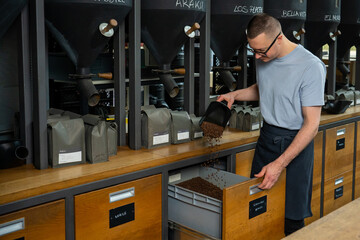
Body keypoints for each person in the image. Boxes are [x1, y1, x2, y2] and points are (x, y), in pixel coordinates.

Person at [217, 13, 326, 236]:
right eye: (253, 51)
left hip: (295, 144)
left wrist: (279, 164)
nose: (257, 57)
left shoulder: (310, 66)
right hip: (267, 138)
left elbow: (311, 126)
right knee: (257, 209)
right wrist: (234, 95)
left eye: (261, 51)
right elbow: (263, 88)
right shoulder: (265, 57)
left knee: (291, 218)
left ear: (278, 38)